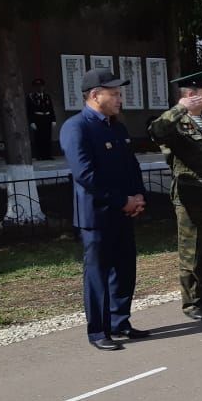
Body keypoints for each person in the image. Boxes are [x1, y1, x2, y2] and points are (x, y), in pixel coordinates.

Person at [59, 68, 148, 351]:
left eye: (119, 93)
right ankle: (98, 331)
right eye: (114, 94)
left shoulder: (116, 127)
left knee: (124, 270)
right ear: (95, 95)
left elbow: (131, 166)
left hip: (124, 211)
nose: (120, 99)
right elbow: (86, 175)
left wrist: (138, 196)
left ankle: (119, 321)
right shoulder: (77, 127)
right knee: (98, 274)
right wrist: (122, 200)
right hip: (97, 216)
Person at [148, 70, 202, 321]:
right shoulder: (175, 123)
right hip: (191, 198)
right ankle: (192, 303)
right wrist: (179, 108)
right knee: (192, 252)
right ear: (190, 95)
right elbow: (156, 131)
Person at [26, 78, 57, 160]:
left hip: (47, 118)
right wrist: (31, 122)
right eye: (37, 86)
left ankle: (47, 155)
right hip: (37, 119)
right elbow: (29, 110)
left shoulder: (47, 96)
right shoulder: (31, 97)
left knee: (47, 137)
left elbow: (51, 108)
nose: (39, 88)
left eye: (41, 86)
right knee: (39, 138)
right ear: (34, 87)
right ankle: (39, 155)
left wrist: (53, 120)